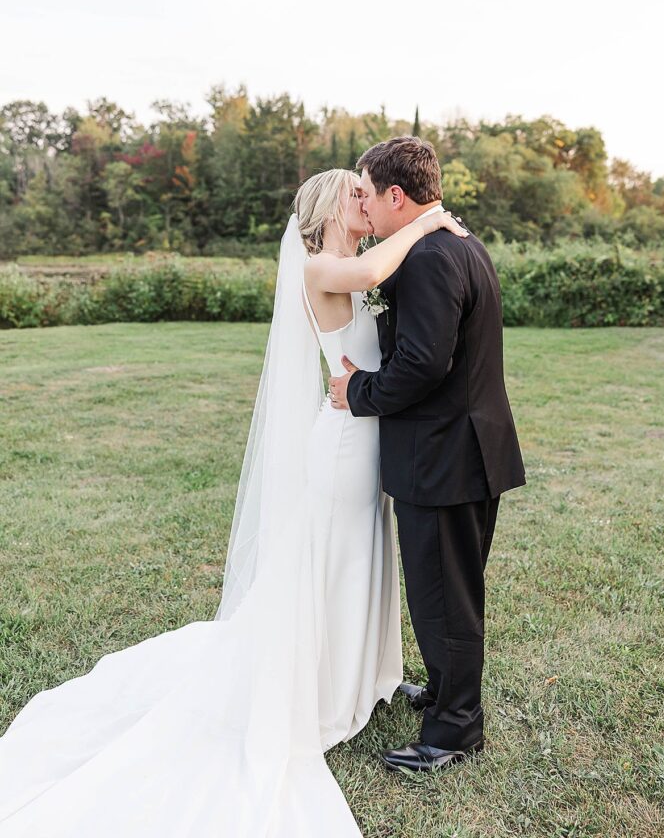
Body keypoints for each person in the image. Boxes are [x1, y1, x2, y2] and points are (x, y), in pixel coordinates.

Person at [0, 166, 466, 837]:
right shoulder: (322, 267)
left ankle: (362, 679)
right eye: (355, 194)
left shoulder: (354, 258)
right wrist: (427, 221)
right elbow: (367, 282)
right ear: (332, 207)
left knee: (360, 558)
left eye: (369, 192)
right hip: (341, 446)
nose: (366, 201)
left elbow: (383, 292)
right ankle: (323, 694)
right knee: (332, 562)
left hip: (366, 439)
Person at [329, 136, 526, 773]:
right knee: (446, 590)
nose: (365, 204)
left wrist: (357, 390)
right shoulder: (459, 243)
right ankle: (445, 692)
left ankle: (453, 730)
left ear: (395, 195)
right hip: (467, 450)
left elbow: (422, 364)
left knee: (445, 597)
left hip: (444, 458)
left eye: (367, 191)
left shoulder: (427, 258)